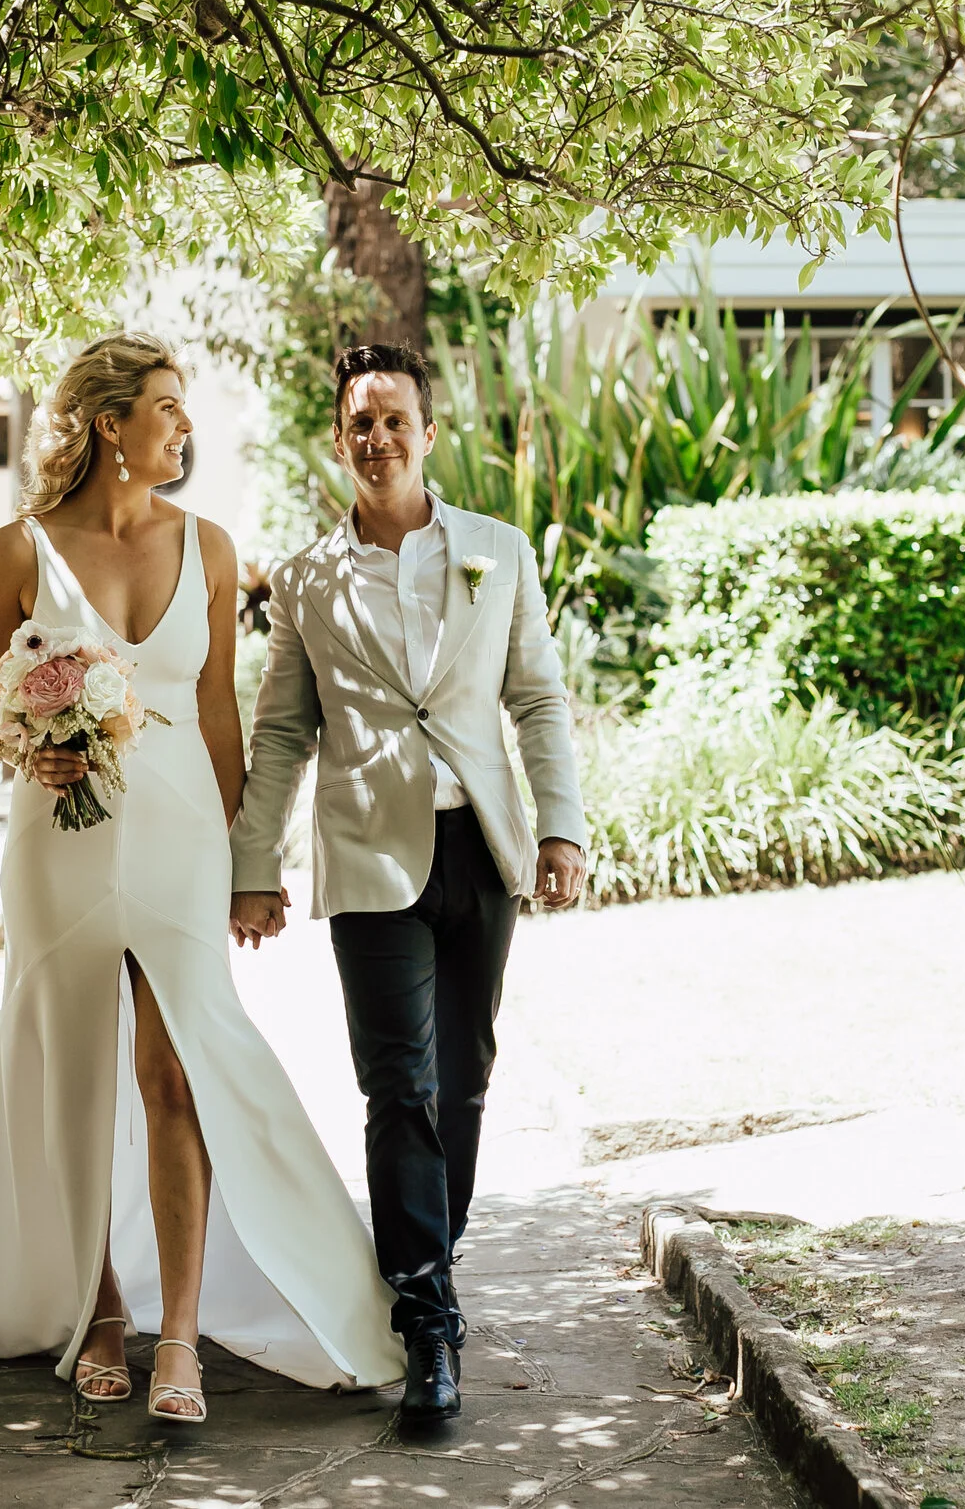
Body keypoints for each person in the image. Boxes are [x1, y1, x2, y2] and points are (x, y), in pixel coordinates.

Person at [0, 332, 403, 1423]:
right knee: (74, 1078)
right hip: (57, 840)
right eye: (165, 405)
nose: (183, 424)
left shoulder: (208, 545)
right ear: (110, 422)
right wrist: (26, 747)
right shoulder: (17, 550)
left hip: (179, 841)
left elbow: (219, 714)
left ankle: (178, 1337)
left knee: (178, 1074)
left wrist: (247, 861)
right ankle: (99, 1309)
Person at [230, 342, 587, 1423]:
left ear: (428, 433)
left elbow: (538, 699)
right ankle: (427, 1317)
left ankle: (432, 1247)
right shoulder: (303, 579)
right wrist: (255, 867)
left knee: (465, 1076)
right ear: (338, 441)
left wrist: (559, 829)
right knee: (398, 1083)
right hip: (369, 855)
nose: (378, 437)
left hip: (482, 846)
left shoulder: (498, 551)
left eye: (396, 419)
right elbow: (284, 729)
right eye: (359, 423)